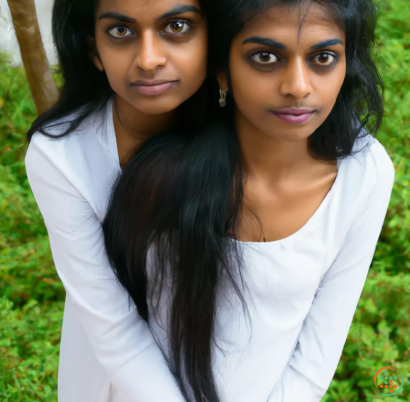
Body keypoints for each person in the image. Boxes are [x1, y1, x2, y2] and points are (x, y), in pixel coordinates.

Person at [103, 0, 395, 401]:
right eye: (265, 57)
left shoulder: (365, 173)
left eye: (323, 57)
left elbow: (319, 351)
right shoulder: (160, 180)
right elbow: (119, 332)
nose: (298, 86)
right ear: (222, 70)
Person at [25, 0, 211, 401]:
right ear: (93, 49)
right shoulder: (63, 156)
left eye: (177, 26)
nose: (148, 60)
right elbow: (109, 320)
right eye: (121, 32)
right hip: (110, 377)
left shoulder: (256, 135)